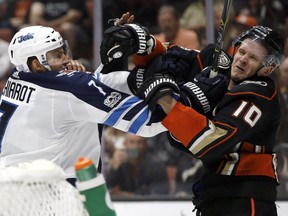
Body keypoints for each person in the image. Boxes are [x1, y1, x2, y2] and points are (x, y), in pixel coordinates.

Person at [137, 25, 285, 215]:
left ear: (267, 69)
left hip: (245, 201)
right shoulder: (224, 71)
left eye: (253, 58)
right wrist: (143, 44)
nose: (242, 60)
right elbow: (180, 55)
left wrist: (168, 103)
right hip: (218, 197)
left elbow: (211, 142)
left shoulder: (259, 95)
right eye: (241, 51)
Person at [0, 24, 169, 186]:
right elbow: (148, 123)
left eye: (64, 51)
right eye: (57, 55)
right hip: (50, 192)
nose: (66, 59)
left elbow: (83, 97)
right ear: (36, 65)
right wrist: (182, 102)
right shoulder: (68, 89)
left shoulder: (17, 78)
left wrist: (108, 68)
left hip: (11, 186)